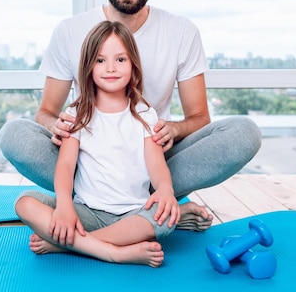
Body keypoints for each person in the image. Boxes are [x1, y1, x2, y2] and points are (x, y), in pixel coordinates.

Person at [0, 0, 262, 231]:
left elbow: (199, 118)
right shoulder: (69, 31)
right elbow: (44, 113)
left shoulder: (182, 32)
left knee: (244, 132)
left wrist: (171, 130)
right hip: (88, 161)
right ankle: (140, 214)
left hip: (153, 163)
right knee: (14, 133)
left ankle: (151, 201)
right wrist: (55, 124)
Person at [16, 20, 180, 267]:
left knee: (165, 219)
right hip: (87, 212)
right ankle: (113, 252)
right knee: (24, 203)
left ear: (133, 65)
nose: (111, 68)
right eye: (101, 60)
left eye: (120, 60)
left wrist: (165, 189)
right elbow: (65, 165)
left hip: (133, 213)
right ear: (88, 67)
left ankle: (69, 244)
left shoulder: (145, 113)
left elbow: (156, 164)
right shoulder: (77, 114)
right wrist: (63, 207)